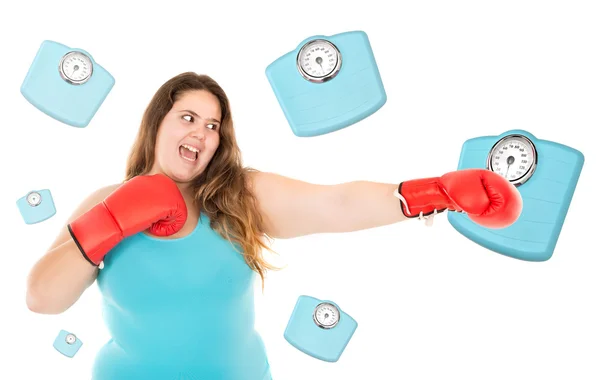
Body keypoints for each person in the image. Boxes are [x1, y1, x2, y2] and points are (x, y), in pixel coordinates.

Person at [25, 72, 523, 379]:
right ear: (158, 123)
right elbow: (43, 298)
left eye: (213, 125)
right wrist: (111, 220)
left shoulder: (238, 196)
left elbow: (338, 203)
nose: (200, 133)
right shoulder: (103, 202)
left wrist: (429, 192)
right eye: (188, 117)